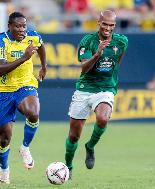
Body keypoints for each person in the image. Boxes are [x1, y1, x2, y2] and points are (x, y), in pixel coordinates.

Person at [64, 10, 128, 179]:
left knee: (103, 118)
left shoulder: (121, 41)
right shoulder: (88, 41)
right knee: (74, 135)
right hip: (85, 88)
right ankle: (68, 166)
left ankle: (90, 146)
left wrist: (109, 81)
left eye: (111, 25)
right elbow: (84, 68)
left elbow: (116, 63)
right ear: (99, 23)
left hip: (105, 88)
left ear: (114, 25)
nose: (108, 28)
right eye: (105, 24)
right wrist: (98, 54)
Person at [0, 12, 47, 184]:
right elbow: (0, 69)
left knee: (33, 112)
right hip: (5, 91)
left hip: (25, 85)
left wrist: (44, 66)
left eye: (24, 26)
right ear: (9, 26)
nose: (22, 29)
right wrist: (24, 58)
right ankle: (4, 170)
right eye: (18, 26)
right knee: (4, 138)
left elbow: (41, 45)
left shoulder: (32, 36)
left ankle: (24, 147)